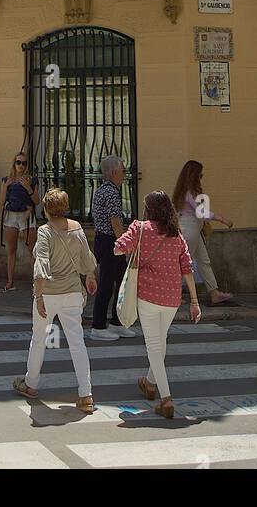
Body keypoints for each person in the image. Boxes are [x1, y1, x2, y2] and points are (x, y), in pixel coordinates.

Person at [114, 191, 201, 419]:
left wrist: (124, 249)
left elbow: (120, 247)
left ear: (149, 209)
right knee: (160, 343)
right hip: (172, 299)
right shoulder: (176, 235)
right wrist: (194, 301)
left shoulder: (140, 228)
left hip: (148, 297)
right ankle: (150, 383)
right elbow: (187, 268)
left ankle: (166, 399)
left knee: (154, 346)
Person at [13, 187, 98, 412]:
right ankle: (86, 393)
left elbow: (41, 266)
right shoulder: (77, 228)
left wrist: (38, 295)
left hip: (49, 293)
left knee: (39, 338)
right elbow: (86, 257)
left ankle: (31, 383)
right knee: (77, 342)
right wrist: (89, 276)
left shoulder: (45, 231)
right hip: (71, 291)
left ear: (47, 209)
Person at [172, 160, 235, 307]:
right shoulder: (190, 192)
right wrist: (222, 219)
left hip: (193, 228)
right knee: (185, 263)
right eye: (200, 175)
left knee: (203, 261)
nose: (201, 177)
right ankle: (175, 295)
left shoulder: (184, 190)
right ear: (194, 175)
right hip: (190, 229)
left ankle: (214, 293)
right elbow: (201, 212)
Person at [90, 155, 135, 339]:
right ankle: (98, 326)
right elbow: (116, 222)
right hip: (110, 242)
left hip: (104, 240)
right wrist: (125, 244)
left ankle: (117, 322)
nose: (125, 174)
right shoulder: (111, 193)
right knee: (108, 285)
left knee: (119, 282)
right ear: (114, 172)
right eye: (123, 170)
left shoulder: (103, 190)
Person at [0, 153, 40, 290]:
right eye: (18, 162)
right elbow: (1, 201)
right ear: (14, 163)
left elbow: (36, 201)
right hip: (11, 216)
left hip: (27, 216)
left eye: (24, 163)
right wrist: (6, 186)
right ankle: (10, 282)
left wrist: (28, 188)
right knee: (11, 250)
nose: (21, 166)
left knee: (32, 249)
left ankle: (38, 282)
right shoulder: (6, 179)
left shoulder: (32, 180)